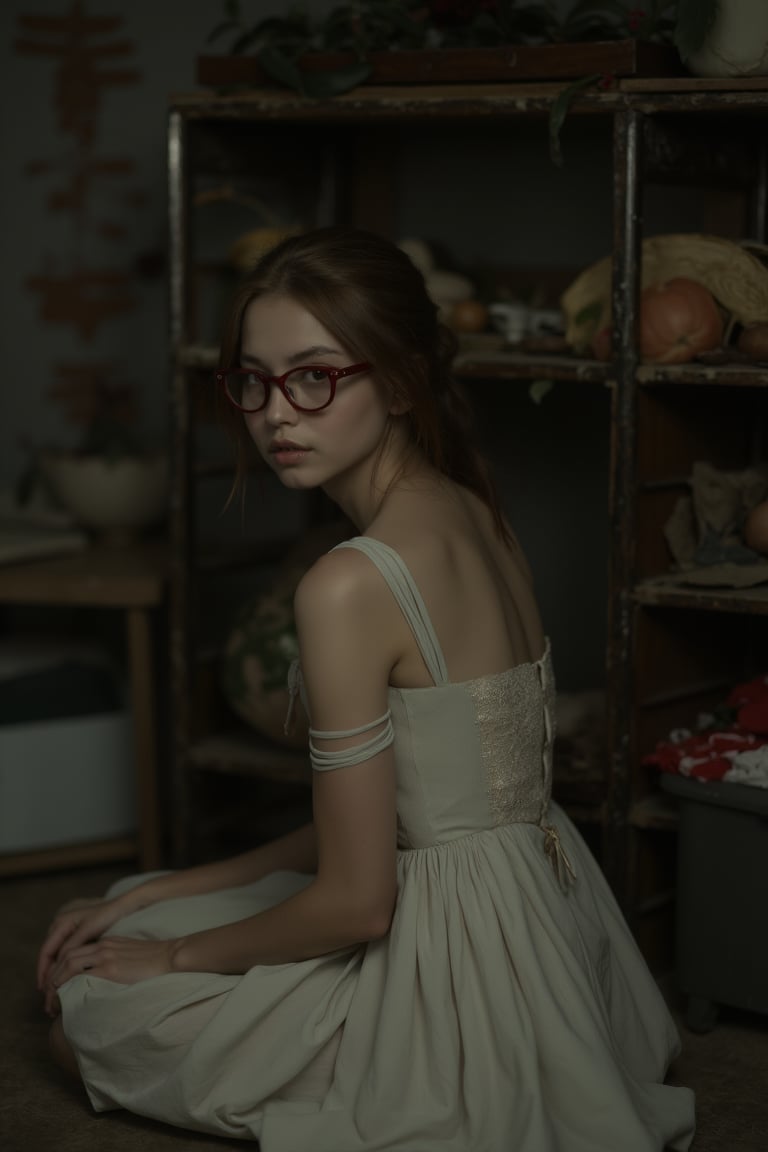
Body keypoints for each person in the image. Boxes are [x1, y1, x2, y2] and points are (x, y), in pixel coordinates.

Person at [37, 227, 695, 1151]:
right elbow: (409, 810)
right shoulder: (475, 508)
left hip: (456, 964)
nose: (275, 414)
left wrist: (174, 955)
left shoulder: (349, 583)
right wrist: (166, 896)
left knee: (87, 1019)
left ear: (397, 380)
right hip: (545, 921)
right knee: (138, 898)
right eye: (254, 380)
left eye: (314, 376)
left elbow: (358, 903)